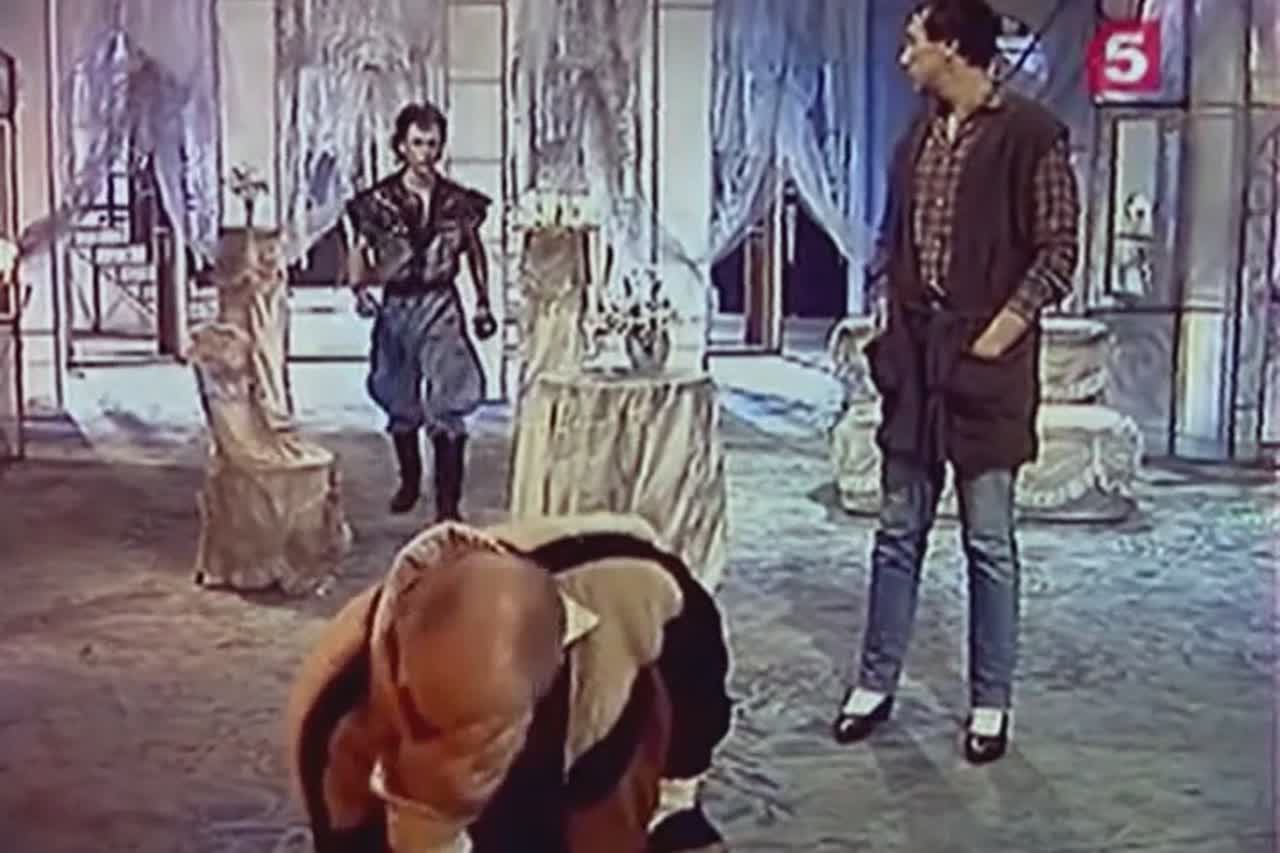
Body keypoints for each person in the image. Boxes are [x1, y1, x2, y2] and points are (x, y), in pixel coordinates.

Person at [831, 0, 1080, 764]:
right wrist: (887, 311)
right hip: (916, 359)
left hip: (986, 364)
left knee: (988, 541)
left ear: (951, 46)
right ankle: (875, 682)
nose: (904, 56)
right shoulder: (914, 138)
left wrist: (996, 337)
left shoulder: (1033, 134)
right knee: (896, 530)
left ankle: (990, 701)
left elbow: (1057, 253)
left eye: (914, 42)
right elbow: (891, 238)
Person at [285, 513, 733, 853]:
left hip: (592, 745)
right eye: (436, 725)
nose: (459, 756)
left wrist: (676, 799)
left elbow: (697, 664)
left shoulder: (626, 580)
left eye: (483, 734)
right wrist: (424, 820)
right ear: (402, 676)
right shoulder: (335, 722)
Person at [344, 102, 499, 522]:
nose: (426, 153)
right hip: (397, 304)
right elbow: (360, 247)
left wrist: (483, 300)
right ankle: (410, 480)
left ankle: (448, 504)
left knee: (449, 398)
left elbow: (474, 251)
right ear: (401, 146)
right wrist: (359, 288)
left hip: (440, 302)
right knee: (399, 394)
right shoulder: (377, 202)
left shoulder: (458, 203)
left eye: (432, 144)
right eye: (417, 143)